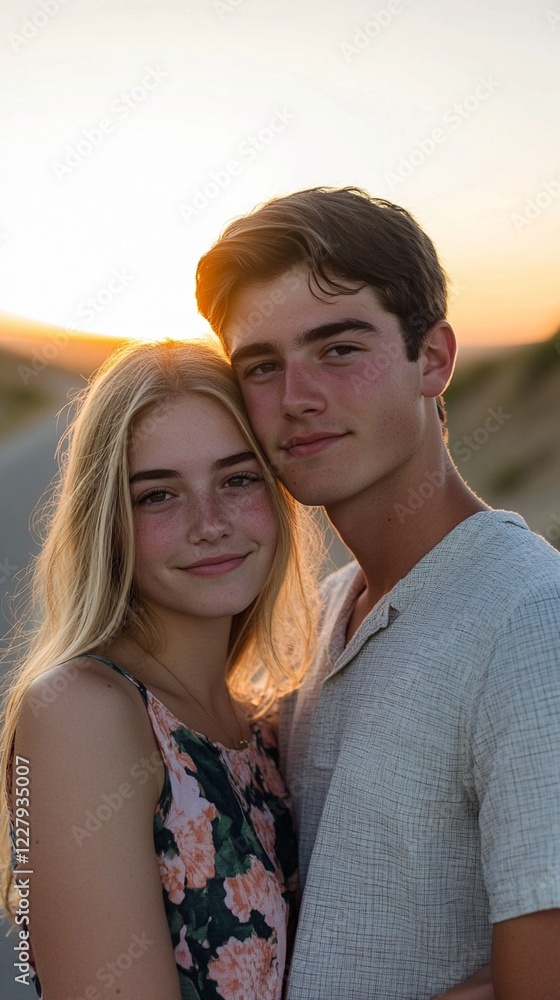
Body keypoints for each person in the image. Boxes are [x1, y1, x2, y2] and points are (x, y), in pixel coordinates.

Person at [195, 187, 560, 1000]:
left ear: (432, 358)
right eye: (261, 366)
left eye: (338, 349)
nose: (296, 398)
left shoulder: (530, 619)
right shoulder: (330, 609)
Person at [0, 338, 322, 1000]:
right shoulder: (79, 712)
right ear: (108, 522)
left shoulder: (262, 725)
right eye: (157, 496)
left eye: (238, 479)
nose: (209, 523)